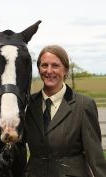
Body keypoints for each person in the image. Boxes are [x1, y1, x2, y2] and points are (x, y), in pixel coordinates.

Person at [25, 45, 106, 177]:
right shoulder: (28, 105)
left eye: (55, 65)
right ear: (39, 69)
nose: (49, 71)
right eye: (44, 65)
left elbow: (95, 155)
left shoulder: (83, 105)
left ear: (65, 70)